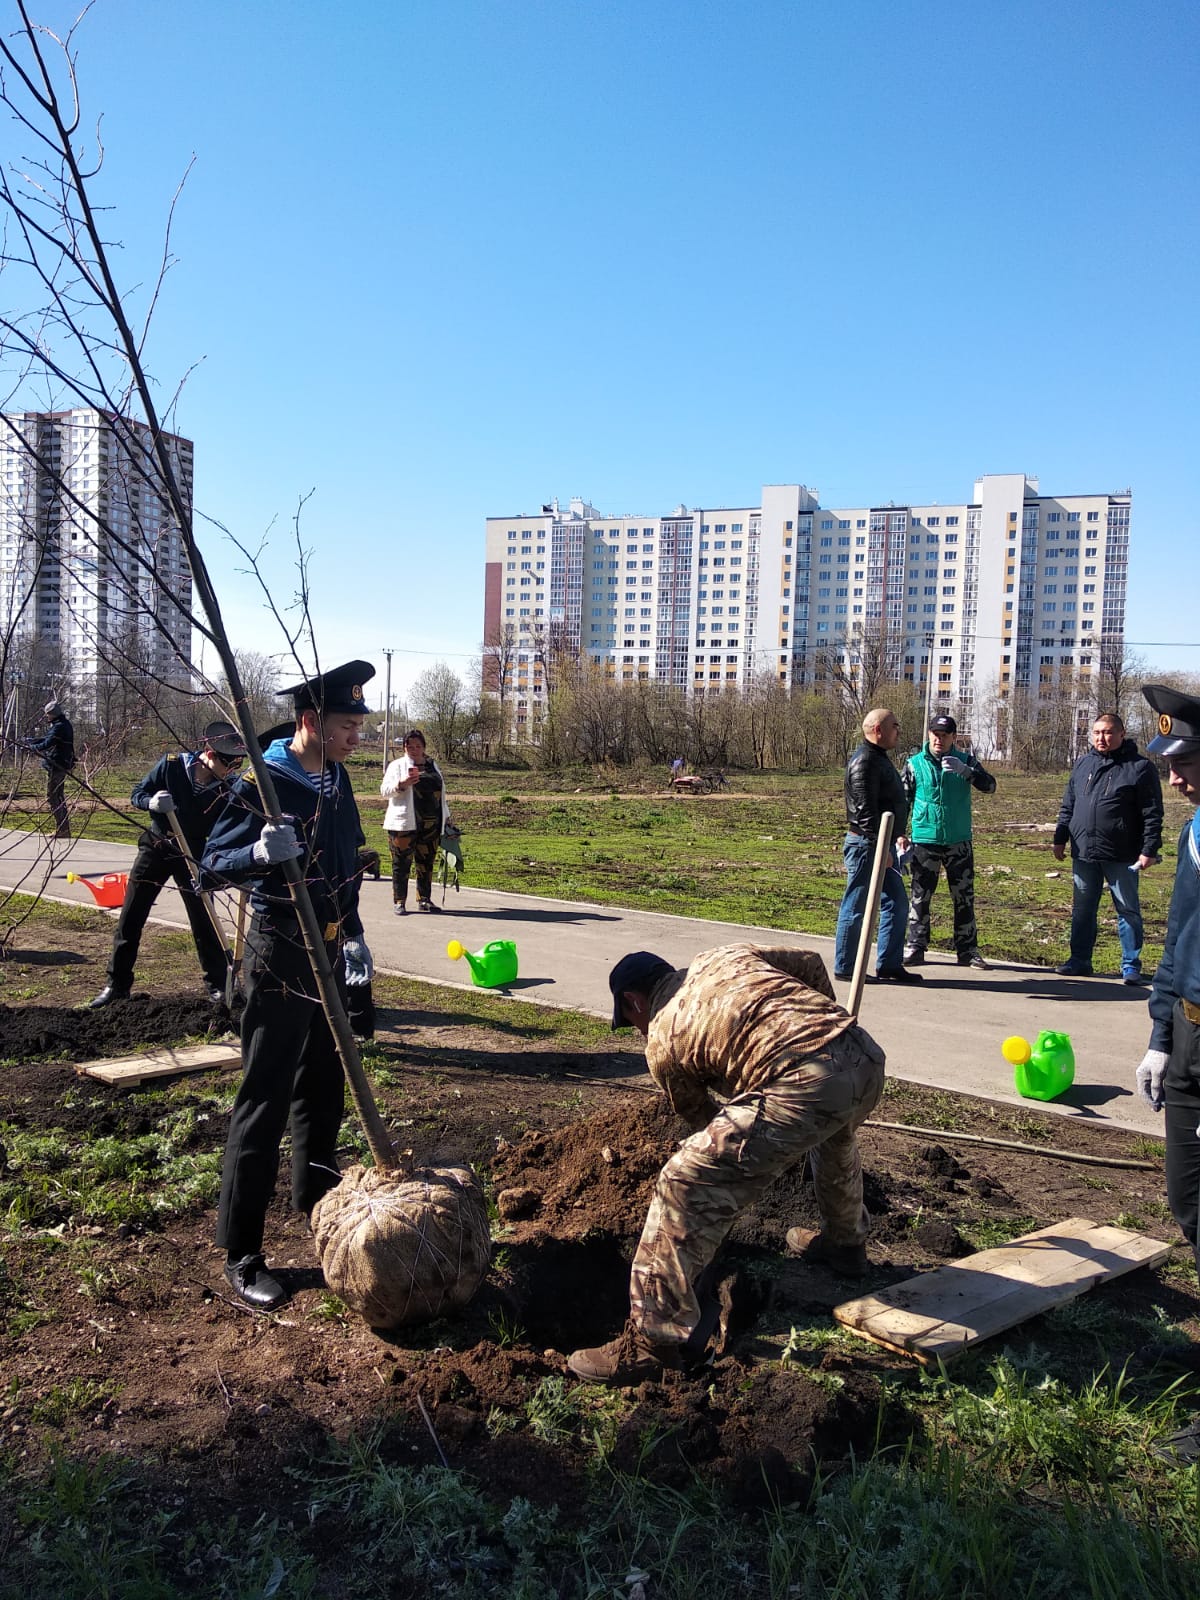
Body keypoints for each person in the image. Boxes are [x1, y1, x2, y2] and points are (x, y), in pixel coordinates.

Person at [567, 943, 886, 1385]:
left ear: (634, 1002)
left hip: (802, 1084)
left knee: (682, 1181)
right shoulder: (722, 957)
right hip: (861, 1054)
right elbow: (812, 961)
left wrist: (734, 1178)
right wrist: (815, 1030)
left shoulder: (662, 1038)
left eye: (632, 1022)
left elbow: (705, 1122)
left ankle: (650, 1343)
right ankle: (846, 1245)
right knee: (833, 1135)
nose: (639, 1031)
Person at [201, 661, 375, 1311]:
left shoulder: (337, 779)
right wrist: (254, 857)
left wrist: (354, 935)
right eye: (347, 726)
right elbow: (209, 869)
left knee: (322, 1088)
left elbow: (347, 864)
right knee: (264, 1098)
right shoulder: (264, 785)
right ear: (310, 722)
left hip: (327, 951)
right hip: (277, 956)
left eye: (360, 725)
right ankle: (241, 1250)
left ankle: (316, 1205)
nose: (358, 735)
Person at [1134, 684, 1200, 1462]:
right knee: (1188, 1203)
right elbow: (1180, 934)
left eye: (1183, 761)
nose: (1173, 775)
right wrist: (1159, 1030)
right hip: (1187, 1038)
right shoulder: (1193, 834)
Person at [90, 721, 247, 1009]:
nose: (231, 771)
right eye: (228, 764)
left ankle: (217, 986)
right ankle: (116, 985)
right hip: (157, 846)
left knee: (205, 919)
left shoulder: (228, 787)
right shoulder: (171, 766)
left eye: (235, 765)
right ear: (209, 755)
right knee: (132, 915)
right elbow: (137, 793)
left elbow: (230, 825)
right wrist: (151, 802)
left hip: (194, 853)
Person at [1052, 711, 1163, 981]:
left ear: (1121, 734)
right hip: (1084, 851)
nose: (1102, 738)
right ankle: (1079, 960)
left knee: (1127, 909)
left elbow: (1152, 812)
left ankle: (1130, 966)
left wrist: (1149, 849)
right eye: (1098, 732)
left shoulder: (1139, 767)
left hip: (1122, 854)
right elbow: (1069, 805)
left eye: (1109, 732)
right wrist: (1060, 837)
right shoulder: (1082, 765)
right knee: (1082, 909)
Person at [901, 714, 997, 970]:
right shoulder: (914, 764)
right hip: (925, 839)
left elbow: (990, 787)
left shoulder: (966, 762)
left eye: (944, 735)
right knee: (920, 896)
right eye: (934, 734)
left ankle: (967, 950)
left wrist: (967, 772)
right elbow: (903, 801)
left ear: (954, 737)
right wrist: (900, 834)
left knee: (964, 897)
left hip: (958, 840)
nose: (938, 739)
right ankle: (916, 947)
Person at [833, 707, 920, 984]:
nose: (899, 731)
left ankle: (889, 965)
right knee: (857, 904)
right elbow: (866, 812)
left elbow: (889, 803)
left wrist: (898, 835)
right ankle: (846, 967)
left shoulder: (878, 758)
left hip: (884, 844)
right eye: (895, 726)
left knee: (896, 903)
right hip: (867, 845)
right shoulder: (865, 763)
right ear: (878, 730)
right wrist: (882, 850)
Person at [380, 729, 451, 914]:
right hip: (403, 824)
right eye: (410, 746)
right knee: (401, 864)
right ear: (404, 747)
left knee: (426, 864)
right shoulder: (397, 766)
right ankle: (399, 901)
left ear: (424, 747)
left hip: (431, 825)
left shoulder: (432, 765)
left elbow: (441, 795)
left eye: (418, 746)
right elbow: (385, 791)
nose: (414, 749)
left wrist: (447, 817)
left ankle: (424, 899)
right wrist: (402, 784)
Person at [27, 701, 75, 839]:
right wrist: (32, 741)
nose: (46, 717)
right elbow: (49, 739)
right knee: (58, 797)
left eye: (47, 714)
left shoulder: (58, 727)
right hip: (62, 764)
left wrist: (32, 748)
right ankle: (64, 829)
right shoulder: (64, 725)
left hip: (57, 765)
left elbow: (48, 743)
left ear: (52, 714)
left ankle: (62, 829)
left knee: (53, 797)